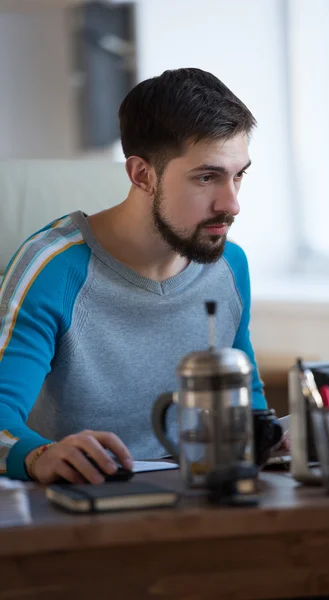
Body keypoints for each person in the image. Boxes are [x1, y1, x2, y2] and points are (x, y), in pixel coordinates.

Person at [0, 67, 275, 484]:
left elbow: (246, 401)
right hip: (89, 508)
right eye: (207, 177)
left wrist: (272, 436)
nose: (231, 203)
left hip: (205, 499)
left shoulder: (229, 265)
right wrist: (40, 455)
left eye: (239, 175)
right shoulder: (52, 267)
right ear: (142, 174)